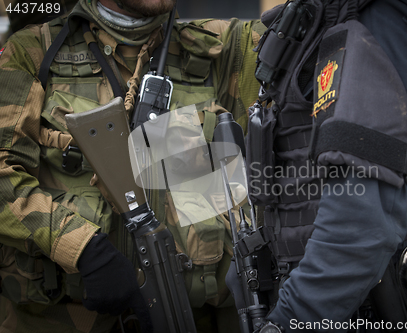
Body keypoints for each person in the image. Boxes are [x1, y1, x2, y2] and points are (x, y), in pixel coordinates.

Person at [229, 0, 407, 332]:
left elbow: (360, 226)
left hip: (363, 308)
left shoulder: (390, 19)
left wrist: (289, 321)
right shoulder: (328, 16)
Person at [0, 0, 265, 332]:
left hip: (189, 315)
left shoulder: (225, 49)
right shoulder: (33, 52)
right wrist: (81, 248)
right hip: (60, 319)